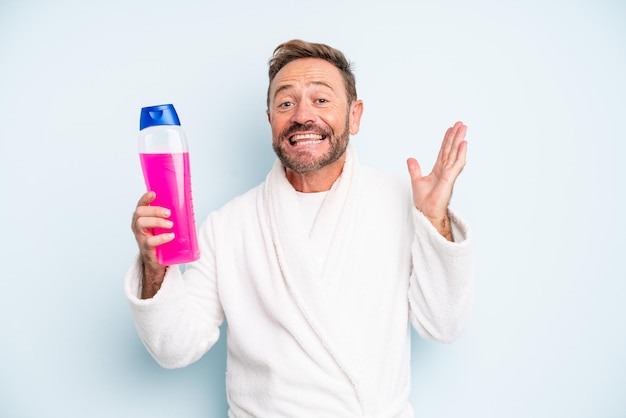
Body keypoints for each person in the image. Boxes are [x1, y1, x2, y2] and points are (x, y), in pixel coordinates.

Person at [126, 39, 474, 417]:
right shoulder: (229, 226)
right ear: (270, 120)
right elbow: (174, 346)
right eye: (286, 103)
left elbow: (443, 325)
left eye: (321, 100)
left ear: (354, 116)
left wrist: (435, 219)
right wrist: (154, 264)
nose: (302, 116)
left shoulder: (402, 203)